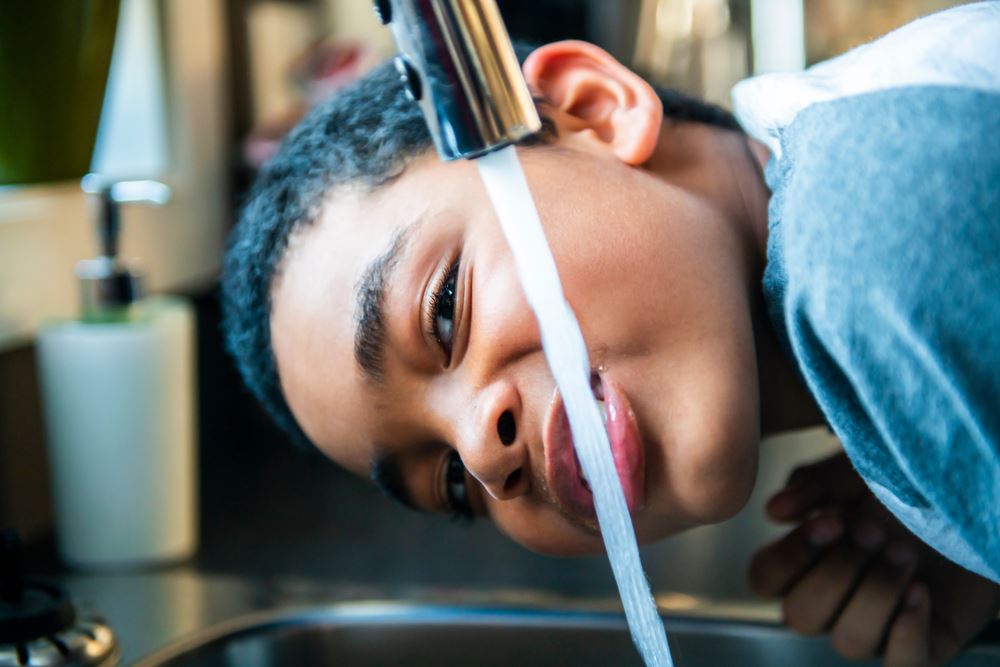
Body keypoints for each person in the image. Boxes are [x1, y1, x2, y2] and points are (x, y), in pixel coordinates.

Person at [221, 3, 1000, 664]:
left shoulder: (868, 236)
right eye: (452, 482)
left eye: (445, 309)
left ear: (592, 110)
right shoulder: (875, 254)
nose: (486, 455)